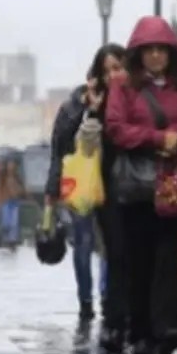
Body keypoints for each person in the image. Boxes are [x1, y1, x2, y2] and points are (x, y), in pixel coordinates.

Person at [104, 16, 177, 354]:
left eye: (160, 50)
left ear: (171, 52)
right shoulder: (123, 86)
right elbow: (116, 128)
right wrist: (155, 139)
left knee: (169, 258)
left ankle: (168, 328)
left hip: (176, 183)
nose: (154, 56)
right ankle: (140, 330)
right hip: (137, 188)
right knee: (139, 260)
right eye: (147, 50)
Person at [46, 43, 127, 332]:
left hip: (115, 183)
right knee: (83, 241)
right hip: (81, 182)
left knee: (111, 244)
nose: (112, 76)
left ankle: (107, 296)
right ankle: (85, 301)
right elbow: (60, 145)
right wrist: (88, 109)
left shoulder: (131, 100)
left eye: (117, 68)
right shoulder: (75, 103)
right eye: (106, 71)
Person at [0, 160, 24, 247]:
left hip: (15, 202)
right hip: (5, 201)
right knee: (6, 223)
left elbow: (22, 189)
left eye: (12, 165)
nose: (11, 167)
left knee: (14, 223)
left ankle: (12, 240)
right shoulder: (2, 177)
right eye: (10, 165)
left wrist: (18, 191)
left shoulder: (17, 177)